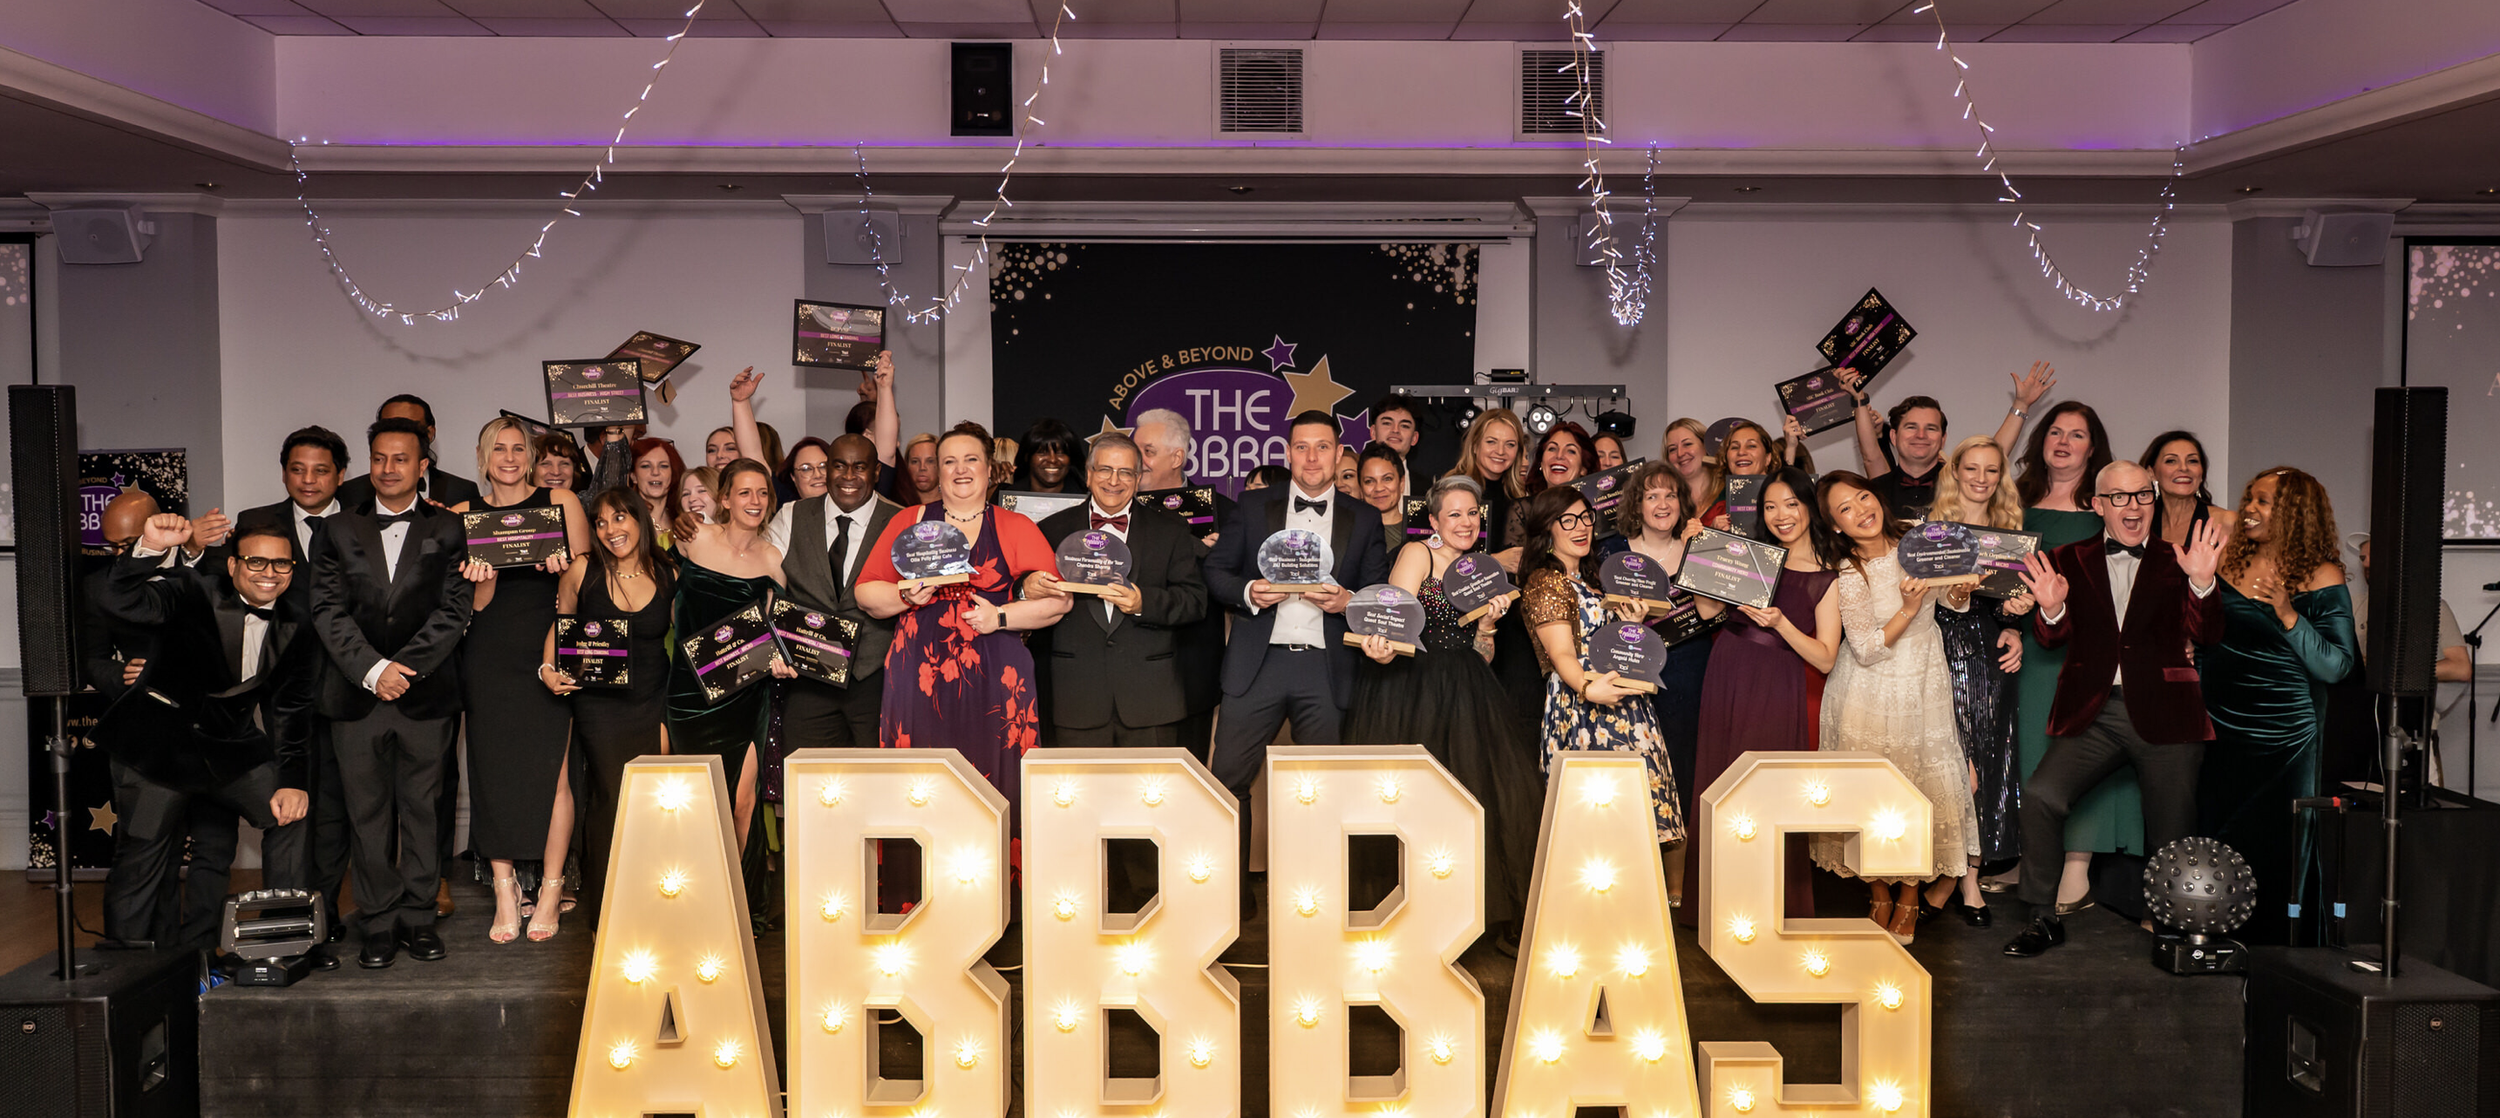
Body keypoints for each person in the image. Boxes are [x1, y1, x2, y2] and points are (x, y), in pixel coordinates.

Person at [2002, 461, 2226, 957]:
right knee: (2040, 795)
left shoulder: (2182, 559)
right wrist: (2052, 608)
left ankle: (2172, 930)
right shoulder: (2067, 557)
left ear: (2154, 500)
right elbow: (2050, 637)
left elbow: (2208, 635)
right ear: (2098, 505)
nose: (2133, 507)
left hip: (2167, 713)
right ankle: (2042, 917)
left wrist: (2203, 586)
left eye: (2142, 496)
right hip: (2094, 712)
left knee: (2171, 825)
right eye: (2119, 498)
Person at [93, 517, 318, 953]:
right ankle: (127, 972)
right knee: (141, 859)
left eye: (281, 564)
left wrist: (292, 779)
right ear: (232, 565)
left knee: (290, 812)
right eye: (256, 561)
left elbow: (291, 708)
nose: (268, 573)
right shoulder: (192, 590)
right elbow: (118, 599)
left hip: (226, 748)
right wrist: (148, 548)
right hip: (156, 747)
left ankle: (282, 943)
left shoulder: (299, 621)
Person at [310, 417, 477, 968]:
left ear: (422, 465)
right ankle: (377, 922)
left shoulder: (450, 529)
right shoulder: (334, 530)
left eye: (400, 459)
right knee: (368, 814)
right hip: (355, 697)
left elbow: (454, 611)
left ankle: (419, 917)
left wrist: (401, 669)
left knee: (425, 812)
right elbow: (327, 611)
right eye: (379, 458)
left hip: (425, 697)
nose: (388, 469)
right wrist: (372, 669)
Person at [1202, 411, 1393, 881]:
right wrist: (1249, 592)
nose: (1311, 458)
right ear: (1288, 452)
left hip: (1326, 669)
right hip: (1257, 665)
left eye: (1322, 447)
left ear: (1338, 453)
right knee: (1226, 783)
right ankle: (1227, 897)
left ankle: (1312, 894)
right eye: (1302, 447)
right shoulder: (1251, 506)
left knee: (1324, 787)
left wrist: (1348, 602)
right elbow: (1216, 572)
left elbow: (1377, 592)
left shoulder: (1364, 518)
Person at [1347, 474, 1542, 937]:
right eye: (1454, 513)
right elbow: (1395, 620)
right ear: (1433, 520)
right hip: (1413, 684)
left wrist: (1490, 625)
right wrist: (1381, 647)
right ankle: (1412, 912)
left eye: (1473, 513)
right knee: (1415, 799)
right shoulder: (1419, 553)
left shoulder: (1481, 569)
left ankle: (1471, 913)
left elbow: (1482, 654)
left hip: (1468, 687)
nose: (1466, 522)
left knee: (1478, 798)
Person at [857, 422, 1071, 821]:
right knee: (921, 782)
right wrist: (903, 595)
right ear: (937, 471)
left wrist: (1000, 615)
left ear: (990, 470)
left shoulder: (1015, 526)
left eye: (971, 460)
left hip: (996, 674)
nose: (960, 469)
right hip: (919, 673)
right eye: (949, 461)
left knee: (996, 783)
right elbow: (866, 592)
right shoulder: (909, 521)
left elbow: (1059, 602)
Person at [1811, 473, 1978, 945]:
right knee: (1872, 795)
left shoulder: (1916, 538)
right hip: (1866, 687)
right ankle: (1879, 892)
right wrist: (1906, 607)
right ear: (1836, 525)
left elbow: (1951, 600)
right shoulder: (1846, 569)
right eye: (1845, 508)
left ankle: (1909, 897)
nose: (1861, 509)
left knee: (1919, 787)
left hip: (1924, 679)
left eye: (1863, 496)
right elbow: (1864, 647)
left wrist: (1962, 589)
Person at [2199, 468, 2356, 946]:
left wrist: (2288, 613)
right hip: (2219, 726)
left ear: (2294, 513)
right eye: (2251, 498)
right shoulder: (2226, 559)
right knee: (2216, 834)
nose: (2249, 509)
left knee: (2274, 842)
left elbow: (2337, 666)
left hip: (2283, 732)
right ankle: (2215, 939)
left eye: (2264, 502)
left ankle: (2277, 951)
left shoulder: (2321, 575)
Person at [1684, 465, 1842, 921]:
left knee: (1764, 791)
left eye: (1790, 504)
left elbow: (1826, 657)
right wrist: (1702, 553)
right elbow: (1708, 608)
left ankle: (1768, 906)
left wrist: (1781, 624)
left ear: (1809, 507)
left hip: (1777, 681)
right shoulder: (1750, 556)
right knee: (1720, 785)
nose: (1780, 515)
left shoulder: (1826, 577)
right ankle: (1716, 905)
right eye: (1770, 507)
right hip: (1728, 670)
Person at [456, 416, 590, 943]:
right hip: (488, 653)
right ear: (482, 455)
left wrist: (562, 570)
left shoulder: (563, 503)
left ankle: (552, 888)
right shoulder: (465, 515)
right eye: (499, 449)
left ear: (531, 455)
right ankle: (505, 887)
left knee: (555, 775)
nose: (509, 458)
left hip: (548, 646)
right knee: (491, 773)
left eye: (518, 449)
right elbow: (463, 606)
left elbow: (584, 583)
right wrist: (481, 587)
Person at [1996, 401, 2127, 909]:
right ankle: (2033, 861)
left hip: (2087, 650)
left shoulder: (2106, 508)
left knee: (2083, 753)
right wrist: (2008, 611)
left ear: (2093, 448)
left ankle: (2077, 867)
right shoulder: (2016, 505)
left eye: (2077, 434)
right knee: (2030, 751)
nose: (2064, 442)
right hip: (2029, 645)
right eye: (2055, 431)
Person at [1520, 484, 1685, 839]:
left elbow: (1612, 643)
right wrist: (1586, 687)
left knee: (1635, 822)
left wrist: (1631, 625)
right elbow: (1561, 652)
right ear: (1547, 527)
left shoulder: (1596, 577)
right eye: (1567, 520)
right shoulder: (1546, 580)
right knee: (1594, 825)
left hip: (1625, 700)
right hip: (1582, 705)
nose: (1580, 527)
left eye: (1585, 517)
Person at [1024, 433, 1209, 747]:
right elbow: (1024, 592)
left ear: (1138, 479)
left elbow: (1194, 601)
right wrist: (1025, 588)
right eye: (1105, 470)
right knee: (1077, 795)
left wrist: (1142, 602)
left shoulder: (1171, 531)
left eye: (1125, 472)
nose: (1114, 480)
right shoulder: (1051, 530)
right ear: (1089, 474)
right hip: (1075, 698)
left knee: (1153, 795)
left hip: (1151, 701)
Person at [543, 488, 675, 915]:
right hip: (600, 706)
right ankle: (607, 910)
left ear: (639, 519)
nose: (609, 529)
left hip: (655, 699)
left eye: (619, 518)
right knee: (612, 797)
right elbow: (562, 623)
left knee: (655, 800)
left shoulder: (668, 571)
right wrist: (548, 669)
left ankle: (654, 901)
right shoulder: (584, 569)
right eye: (600, 522)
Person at [1923, 436, 2032, 917]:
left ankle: (1970, 879)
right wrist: (1957, 595)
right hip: (1941, 650)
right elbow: (1919, 600)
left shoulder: (2010, 531)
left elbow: (2013, 604)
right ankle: (1938, 876)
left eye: (1992, 470)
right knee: (1954, 766)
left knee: (1987, 760)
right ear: (1955, 471)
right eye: (1973, 469)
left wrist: (2016, 622)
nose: (1982, 479)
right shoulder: (1933, 529)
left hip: (1990, 655)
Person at [666, 452, 788, 866]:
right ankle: (693, 896)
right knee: (694, 803)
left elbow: (777, 630)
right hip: (688, 695)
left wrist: (783, 658)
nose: (754, 500)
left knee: (741, 803)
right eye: (744, 492)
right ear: (724, 499)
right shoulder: (692, 537)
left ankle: (733, 903)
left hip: (745, 694)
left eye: (762, 492)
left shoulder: (774, 560)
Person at [759, 423, 903, 751]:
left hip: (878, 679)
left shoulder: (902, 520)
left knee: (880, 786)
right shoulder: (793, 514)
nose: (848, 476)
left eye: (860, 466)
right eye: (838, 465)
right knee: (808, 785)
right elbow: (761, 577)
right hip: (809, 679)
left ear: (877, 471)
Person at [1609, 461, 1713, 899]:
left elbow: (1709, 613)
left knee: (1683, 768)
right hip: (1632, 670)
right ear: (1637, 504)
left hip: (1690, 668)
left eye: (1671, 495)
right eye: (1651, 495)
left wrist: (1699, 553)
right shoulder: (1613, 551)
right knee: (1636, 770)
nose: (1662, 503)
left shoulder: (1699, 546)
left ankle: (1679, 883)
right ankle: (1630, 874)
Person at [1135, 406, 1237, 762]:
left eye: (1148, 452)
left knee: (1189, 776)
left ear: (1177, 457)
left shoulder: (1226, 514)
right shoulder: (1119, 510)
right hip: (1130, 669)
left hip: (1192, 669)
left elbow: (1237, 588)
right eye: (1137, 451)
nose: (1139, 461)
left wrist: (1215, 556)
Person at [1839, 362, 2055, 519]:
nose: (1921, 435)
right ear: (1894, 437)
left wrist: (2021, 404)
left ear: (1943, 439)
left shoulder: (1960, 482)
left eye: (1930, 429)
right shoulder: (1878, 488)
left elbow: (1994, 453)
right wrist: (1859, 400)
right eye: (1911, 427)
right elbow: (1871, 456)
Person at [222, 426, 348, 613]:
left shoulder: (364, 523)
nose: (308, 479)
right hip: (280, 638)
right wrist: (193, 549)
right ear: (284, 473)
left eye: (320, 471)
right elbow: (221, 571)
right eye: (297, 470)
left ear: (340, 476)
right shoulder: (256, 520)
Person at [336, 395, 481, 511]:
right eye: (389, 427)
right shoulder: (350, 492)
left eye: (409, 428)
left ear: (430, 433)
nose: (398, 435)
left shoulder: (462, 490)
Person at [1446, 408, 1527, 553]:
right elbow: (1440, 554)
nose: (1500, 451)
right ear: (1475, 445)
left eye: (1510, 444)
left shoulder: (1518, 496)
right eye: (1491, 442)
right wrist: (1496, 561)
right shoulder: (1452, 490)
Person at [2141, 431, 2232, 549]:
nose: (2183, 468)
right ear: (2151, 473)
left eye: (2192, 461)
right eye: (2171, 461)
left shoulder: (2226, 522)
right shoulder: (2142, 523)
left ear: (2202, 472)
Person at [1661, 417, 1722, 526]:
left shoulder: (1729, 493)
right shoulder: (1665, 504)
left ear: (1706, 445)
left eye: (1687, 444)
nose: (1680, 453)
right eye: (1672, 449)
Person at [628, 437, 685, 548]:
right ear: (633, 476)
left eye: (663, 466)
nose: (655, 472)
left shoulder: (683, 519)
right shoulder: (627, 520)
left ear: (673, 474)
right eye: (646, 466)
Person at [1355, 444, 1408, 562]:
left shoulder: (1417, 530)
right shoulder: (1350, 531)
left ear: (1401, 483)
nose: (1379, 488)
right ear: (1360, 488)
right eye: (1369, 481)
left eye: (1387, 479)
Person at [1012, 417, 1085, 493]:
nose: (1052, 459)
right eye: (1042, 452)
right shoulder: (1006, 499)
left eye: (1061, 453)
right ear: (1027, 457)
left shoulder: (1087, 500)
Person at [1367, 393, 1423, 493]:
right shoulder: (1354, 480)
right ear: (1373, 432)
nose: (1395, 430)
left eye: (1404, 426)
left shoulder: (1427, 488)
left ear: (1414, 438)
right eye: (1387, 423)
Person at [778, 436, 834, 507]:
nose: (817, 475)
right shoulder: (787, 515)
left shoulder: (849, 513)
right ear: (793, 477)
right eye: (806, 469)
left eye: (824, 466)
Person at [900, 432, 942, 505]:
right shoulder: (896, 508)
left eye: (930, 461)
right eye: (915, 461)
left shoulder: (953, 507)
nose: (922, 468)